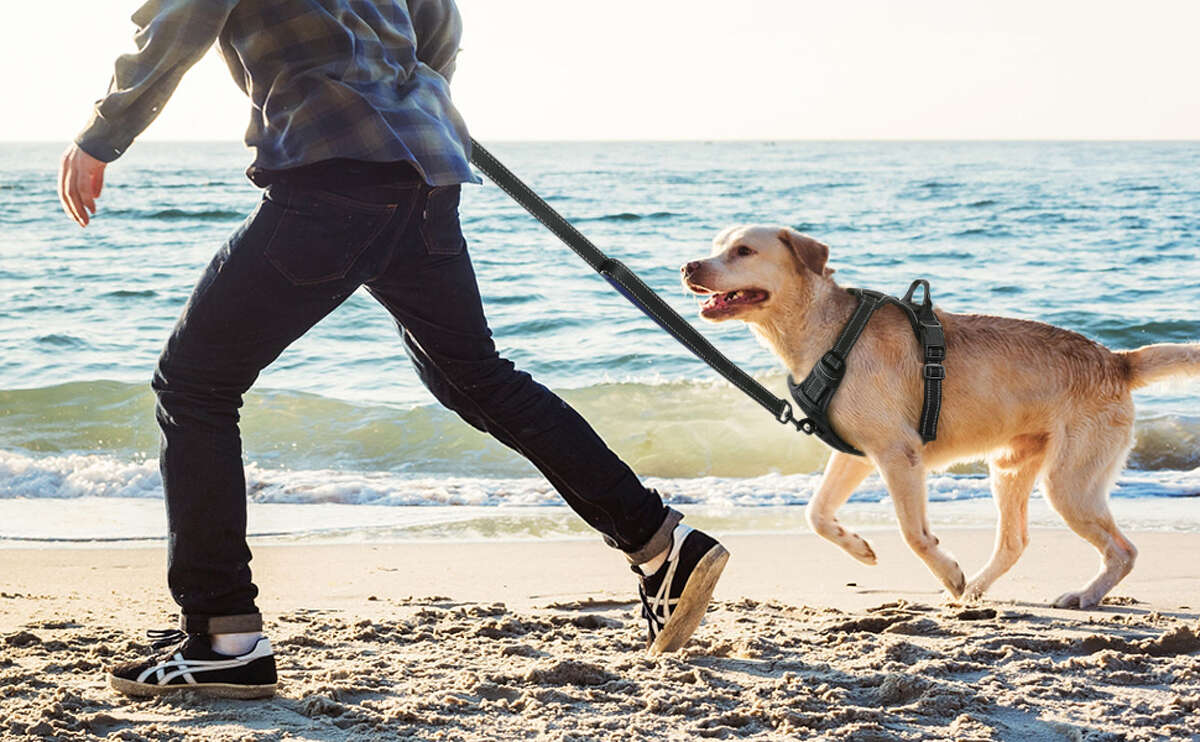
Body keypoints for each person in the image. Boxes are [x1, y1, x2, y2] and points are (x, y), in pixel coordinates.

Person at [58, 0, 729, 698]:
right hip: (424, 172)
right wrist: (400, 98)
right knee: (476, 378)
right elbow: (439, 22)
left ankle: (224, 638)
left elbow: (179, 18)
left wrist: (101, 136)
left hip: (331, 179)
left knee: (193, 386)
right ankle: (659, 542)